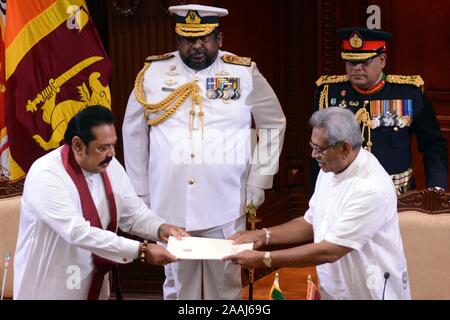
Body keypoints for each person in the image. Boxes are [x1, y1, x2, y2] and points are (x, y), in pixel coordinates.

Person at [122, 4, 286, 300]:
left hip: (225, 198)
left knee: (225, 284)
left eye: (204, 38)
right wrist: (140, 191)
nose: (196, 46)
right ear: (177, 40)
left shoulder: (243, 72)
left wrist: (259, 179)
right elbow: (133, 132)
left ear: (219, 39)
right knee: (176, 284)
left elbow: (273, 123)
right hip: (169, 198)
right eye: (187, 39)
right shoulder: (153, 72)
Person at [224, 107, 411, 300]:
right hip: (336, 290)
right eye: (312, 146)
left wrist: (263, 260)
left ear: (345, 148)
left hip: (371, 292)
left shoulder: (371, 189)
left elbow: (330, 251)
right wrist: (262, 235)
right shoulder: (331, 168)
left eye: (319, 149)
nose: (313, 155)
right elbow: (311, 222)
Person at [14, 106, 189, 300]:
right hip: (51, 285)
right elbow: (77, 232)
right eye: (102, 148)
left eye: (113, 145)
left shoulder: (110, 165)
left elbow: (132, 212)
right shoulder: (46, 174)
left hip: (94, 282)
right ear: (78, 145)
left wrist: (161, 228)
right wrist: (141, 251)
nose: (111, 154)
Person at [313, 27, 448, 195]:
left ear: (382, 60)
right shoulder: (328, 93)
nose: (356, 68)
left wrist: (436, 190)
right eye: (351, 61)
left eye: (365, 62)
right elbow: (319, 149)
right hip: (343, 192)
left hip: (396, 195)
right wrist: (319, 195)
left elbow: (433, 145)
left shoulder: (408, 93)